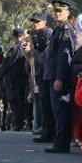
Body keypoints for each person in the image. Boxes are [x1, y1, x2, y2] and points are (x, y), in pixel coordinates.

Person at [45, 0, 81, 153]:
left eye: (61, 11)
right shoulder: (59, 29)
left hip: (61, 77)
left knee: (61, 110)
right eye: (56, 11)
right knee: (58, 109)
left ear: (68, 13)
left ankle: (62, 142)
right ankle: (60, 140)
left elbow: (65, 56)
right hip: (55, 75)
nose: (58, 13)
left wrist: (59, 78)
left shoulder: (65, 30)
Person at [28, 13, 53, 141]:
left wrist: (33, 51)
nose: (34, 24)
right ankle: (45, 128)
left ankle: (48, 132)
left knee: (46, 104)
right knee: (43, 103)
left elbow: (45, 57)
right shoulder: (37, 35)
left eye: (37, 22)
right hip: (40, 73)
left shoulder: (47, 34)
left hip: (45, 73)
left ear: (44, 22)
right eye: (33, 22)